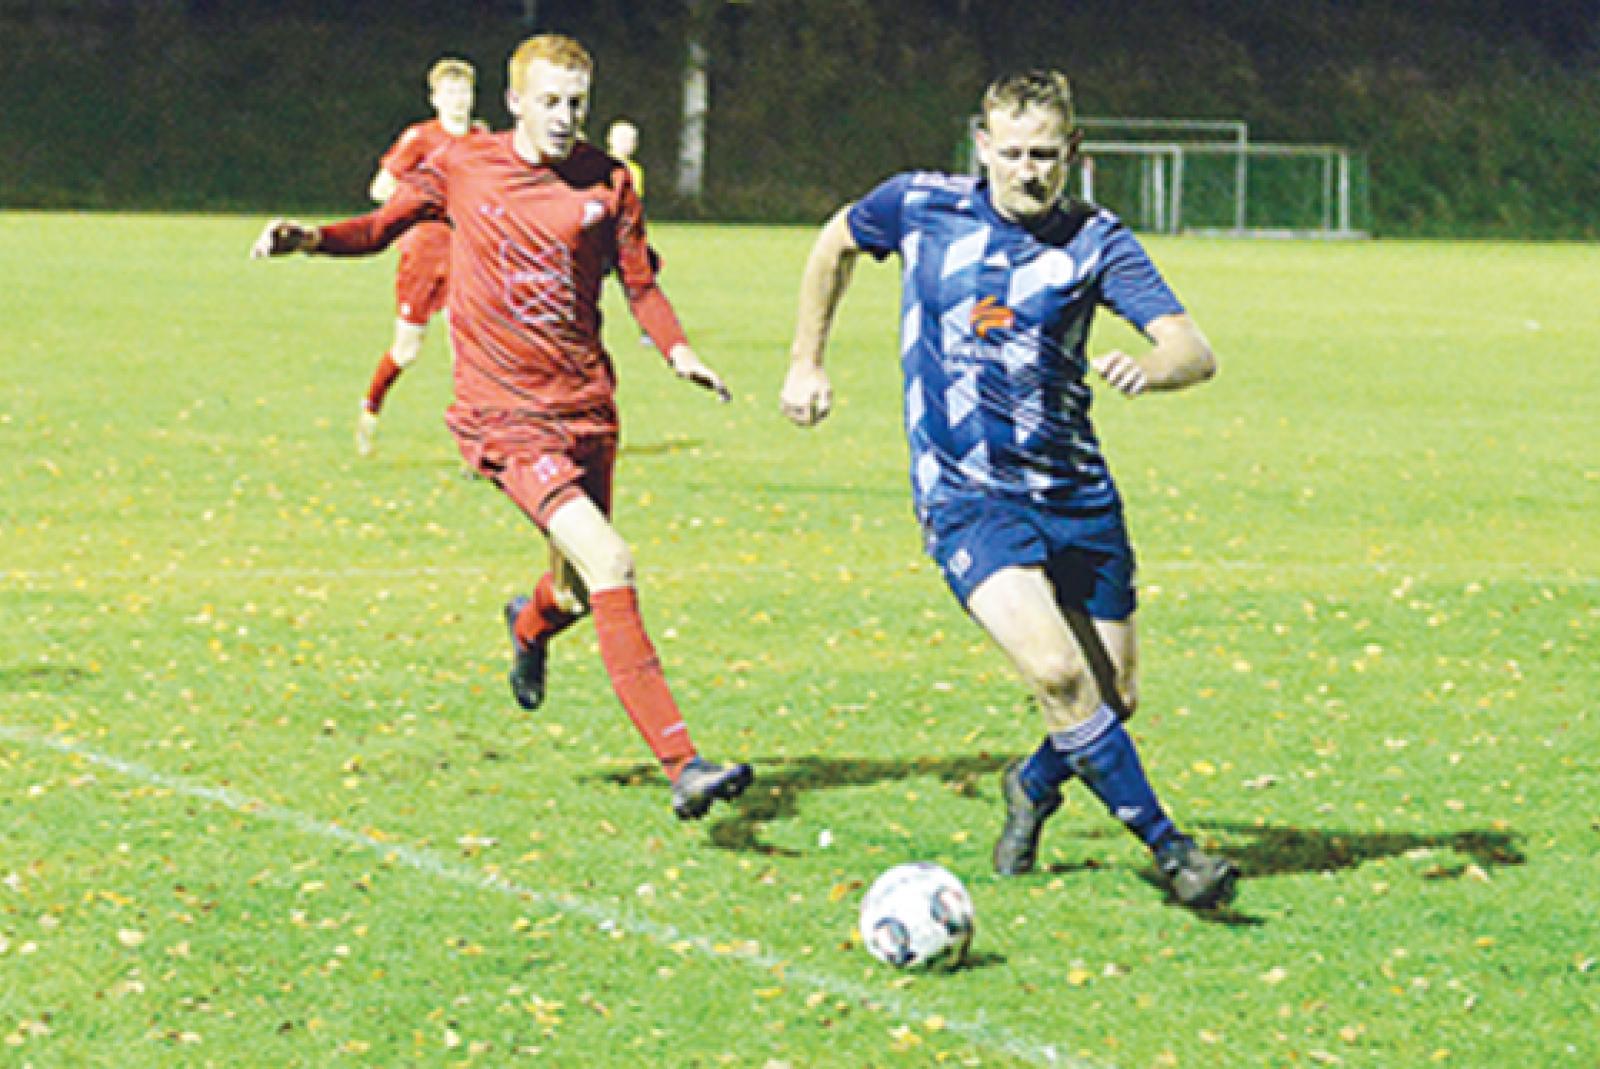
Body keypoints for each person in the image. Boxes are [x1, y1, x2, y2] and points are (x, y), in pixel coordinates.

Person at [251, 33, 752, 821]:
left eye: (576, 103)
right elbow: (381, 228)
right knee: (612, 558)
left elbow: (641, 286)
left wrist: (679, 351)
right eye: (549, 101)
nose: (564, 117)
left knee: (578, 591)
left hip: (587, 409)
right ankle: (683, 764)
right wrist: (311, 238)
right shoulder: (463, 164)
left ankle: (529, 623)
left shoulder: (610, 181)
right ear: (515, 101)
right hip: (504, 417)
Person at [780, 70, 1239, 907]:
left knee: (1114, 696)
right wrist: (806, 360)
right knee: (1060, 677)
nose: (1030, 171)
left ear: (1075, 152)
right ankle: (1172, 850)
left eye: (1047, 155)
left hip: (1076, 493)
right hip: (968, 497)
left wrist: (1152, 369)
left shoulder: (1098, 241)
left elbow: (1193, 349)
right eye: (1016, 153)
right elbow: (833, 244)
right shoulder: (919, 206)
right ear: (982, 145)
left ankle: (1031, 783)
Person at [356, 57, 486, 457]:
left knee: (471, 349)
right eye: (449, 92)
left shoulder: (482, 138)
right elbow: (379, 189)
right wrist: (421, 201)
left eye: (463, 91)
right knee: (407, 350)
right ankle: (370, 411)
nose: (457, 99)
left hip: (466, 256)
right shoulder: (419, 138)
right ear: (435, 99)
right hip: (423, 256)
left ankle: (478, 444)